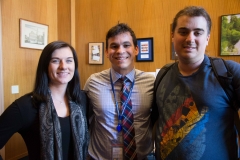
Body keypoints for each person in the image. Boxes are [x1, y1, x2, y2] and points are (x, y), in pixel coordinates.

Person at [152, 6, 240, 160]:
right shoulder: (162, 74)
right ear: (172, 35)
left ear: (207, 38)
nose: (190, 39)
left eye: (198, 33)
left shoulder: (229, 72)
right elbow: (158, 122)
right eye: (183, 32)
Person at [0, 41, 89, 160]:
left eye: (69, 60)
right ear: (45, 66)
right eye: (55, 60)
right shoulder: (25, 106)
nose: (63, 66)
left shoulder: (82, 99)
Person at [84, 23, 155, 160]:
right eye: (114, 46)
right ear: (106, 52)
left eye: (126, 45)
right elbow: (83, 122)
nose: (120, 51)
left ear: (136, 50)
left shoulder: (151, 82)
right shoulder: (93, 83)